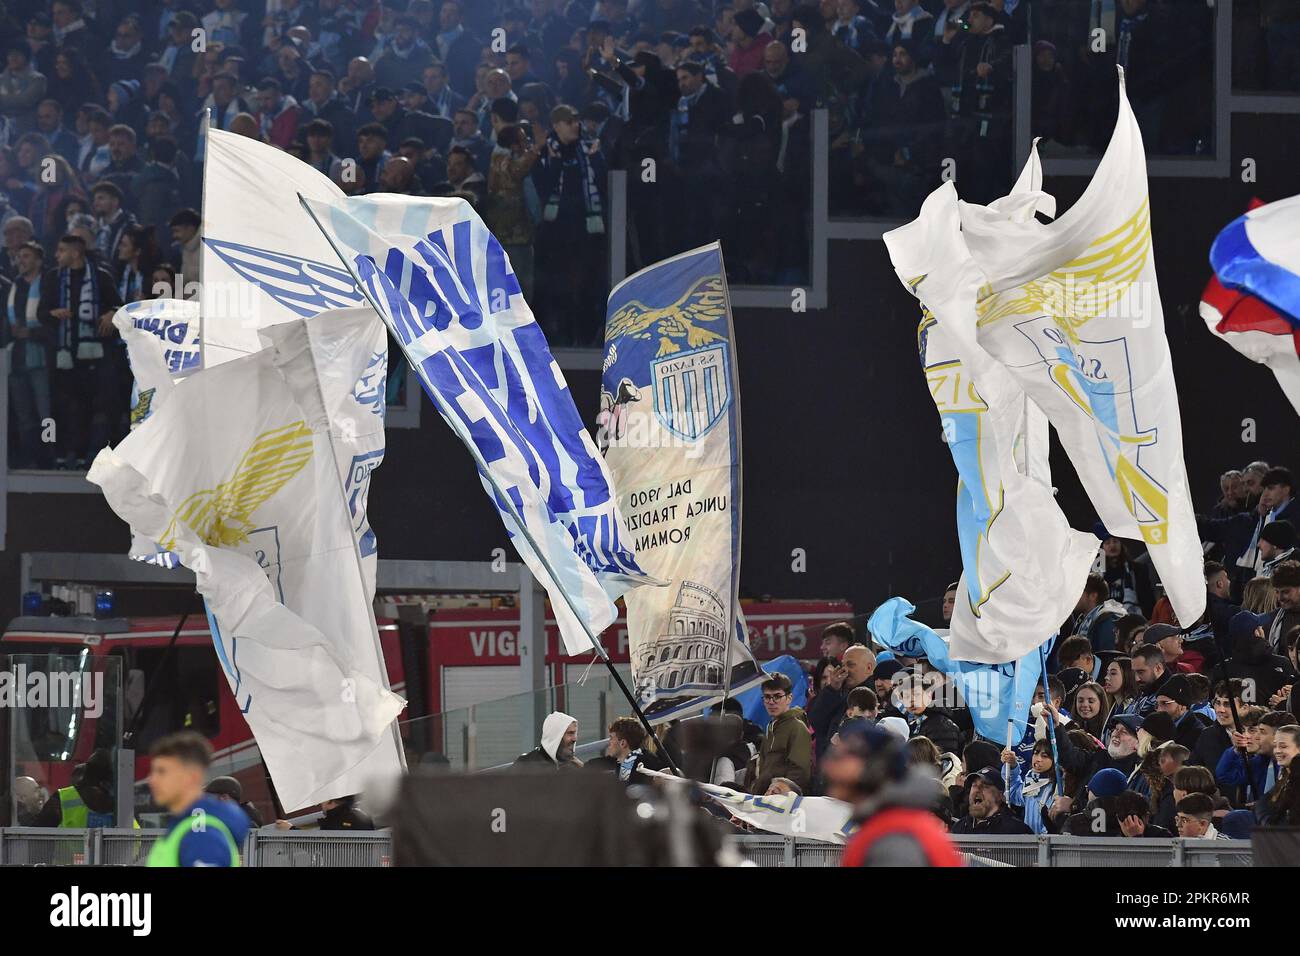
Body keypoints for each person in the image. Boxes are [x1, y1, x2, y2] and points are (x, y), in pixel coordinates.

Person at [830, 723, 961, 866]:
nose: (828, 765)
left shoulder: (895, 839)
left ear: (872, 768)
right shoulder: (887, 825)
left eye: (843, 756)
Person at [146, 732, 248, 866]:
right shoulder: (191, 827)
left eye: (162, 771)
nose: (151, 780)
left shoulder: (202, 836)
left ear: (192, 777)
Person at [750, 672, 812, 794]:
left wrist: (779, 794)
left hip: (783, 802)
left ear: (789, 698)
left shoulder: (797, 727)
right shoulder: (770, 727)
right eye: (767, 697)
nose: (771, 702)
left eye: (777, 696)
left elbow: (799, 772)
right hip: (764, 798)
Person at [951, 766, 1031, 834]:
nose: (977, 790)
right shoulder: (959, 827)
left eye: (985, 786)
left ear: (1000, 795)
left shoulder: (1015, 830)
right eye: (974, 785)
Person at [1002, 739, 1057, 834]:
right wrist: (1012, 767)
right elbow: (1012, 793)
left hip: (1050, 842)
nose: (1038, 759)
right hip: (1030, 842)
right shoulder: (1031, 781)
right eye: (1035, 753)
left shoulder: (1058, 786)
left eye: (1045, 756)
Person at [1071, 573, 1128, 653]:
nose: (1074, 596)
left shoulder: (1107, 620)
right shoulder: (1082, 620)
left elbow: (1106, 657)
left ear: (1093, 596)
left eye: (1079, 592)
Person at [1257, 724, 1300, 826]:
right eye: (1275, 746)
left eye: (1283, 746)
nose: (1277, 751)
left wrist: (1266, 819)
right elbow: (1265, 801)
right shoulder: (1285, 775)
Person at [514, 711, 582, 770]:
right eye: (570, 733)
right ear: (555, 735)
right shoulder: (526, 765)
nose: (575, 739)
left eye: (575, 733)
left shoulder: (572, 766)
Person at [606, 716, 650, 784]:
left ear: (623, 743)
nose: (609, 743)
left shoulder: (643, 769)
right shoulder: (624, 764)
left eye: (611, 738)